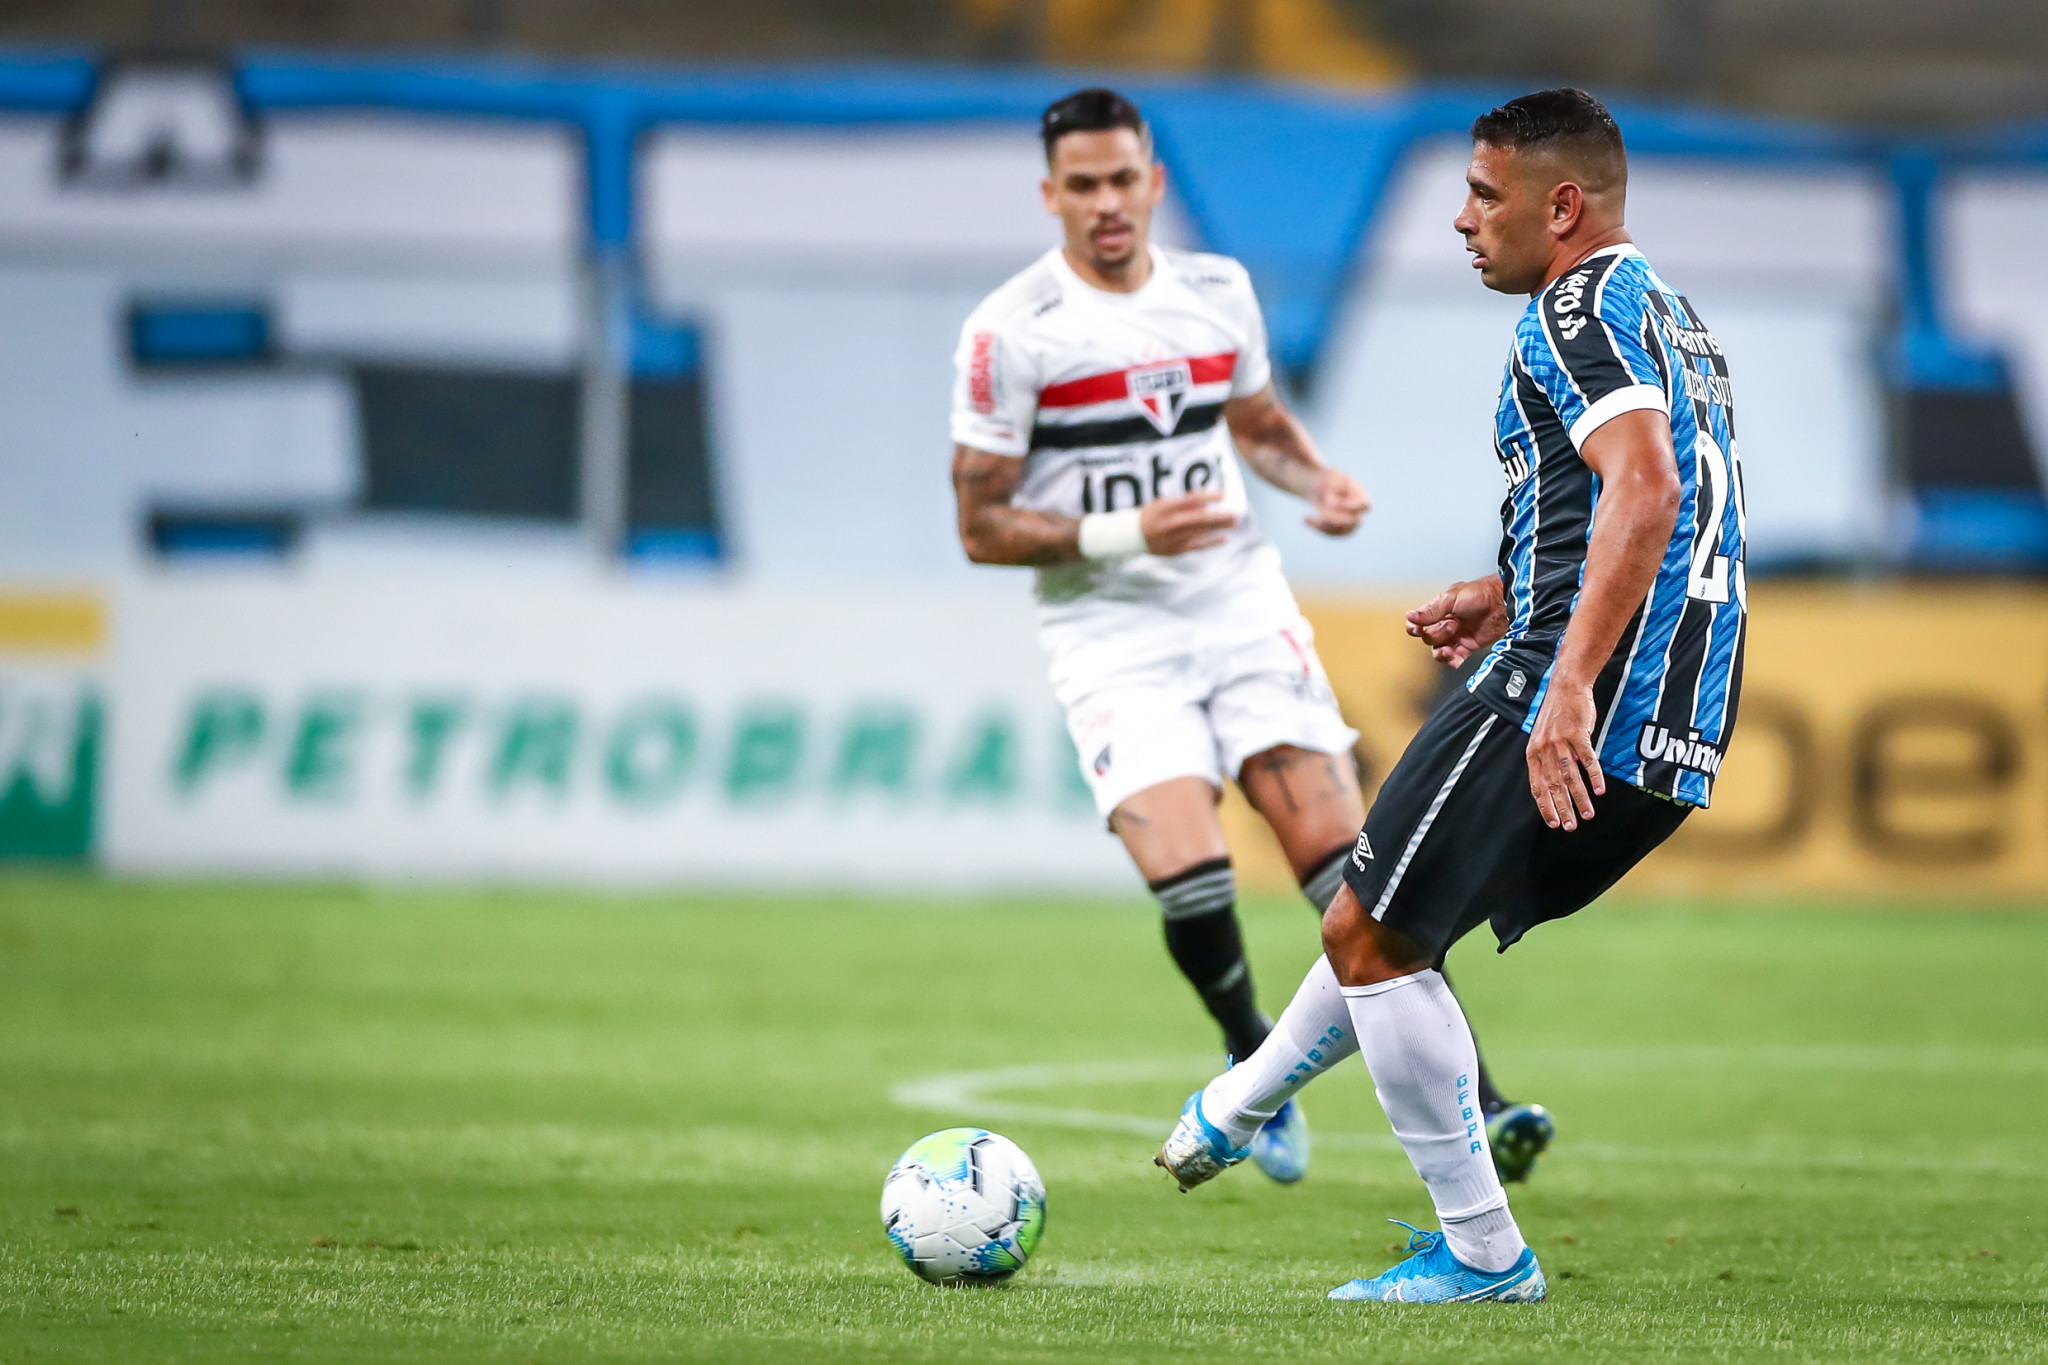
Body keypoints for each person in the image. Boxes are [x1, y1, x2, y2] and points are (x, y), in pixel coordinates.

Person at [1155, 87, 1747, 1304]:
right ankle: (1232, 1108)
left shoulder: (1571, 310)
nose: (1462, 220)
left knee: (1369, 934)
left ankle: (1480, 1252)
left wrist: (1567, 681)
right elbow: (1651, 498)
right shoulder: (1667, 313)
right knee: (1384, 918)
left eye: (1485, 195)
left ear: (1561, 205)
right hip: (1683, 699)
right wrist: (1506, 584)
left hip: (1583, 685)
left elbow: (1640, 493)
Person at [950, 87, 1547, 1189]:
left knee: (1343, 867)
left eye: (1122, 178)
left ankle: (1484, 1097)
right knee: (1187, 871)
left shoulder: (1214, 292)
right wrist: (1127, 528)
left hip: (1235, 606)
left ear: (1152, 181)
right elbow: (979, 523)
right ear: (1050, 196)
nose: (1105, 202)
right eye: (1080, 185)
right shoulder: (1007, 333)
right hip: (1106, 628)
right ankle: (1240, 1047)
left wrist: (1311, 477)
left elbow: (1257, 428)